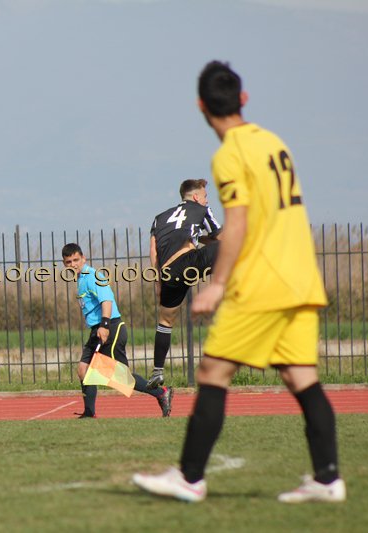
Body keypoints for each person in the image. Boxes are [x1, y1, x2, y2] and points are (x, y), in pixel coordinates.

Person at [133, 61, 345, 503]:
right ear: (243, 99)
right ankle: (328, 480)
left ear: (201, 106)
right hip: (301, 276)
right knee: (301, 376)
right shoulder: (273, 142)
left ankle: (189, 478)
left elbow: (239, 222)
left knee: (212, 371)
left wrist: (217, 283)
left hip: (264, 280)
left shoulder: (230, 154)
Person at [61, 243, 173, 418]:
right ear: (64, 263)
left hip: (110, 328)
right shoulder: (81, 279)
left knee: (121, 377)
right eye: (69, 262)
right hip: (97, 330)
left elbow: (106, 300)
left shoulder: (92, 276)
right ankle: (89, 413)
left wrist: (104, 326)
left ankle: (161, 392)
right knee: (84, 369)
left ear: (84, 258)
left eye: (76, 260)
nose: (73, 264)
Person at [147, 179, 222, 388]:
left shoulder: (159, 218)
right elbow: (220, 236)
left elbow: (153, 251)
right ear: (196, 197)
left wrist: (158, 281)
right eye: (205, 196)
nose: (207, 200)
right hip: (188, 263)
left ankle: (157, 372)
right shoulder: (202, 210)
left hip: (168, 274)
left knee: (165, 321)